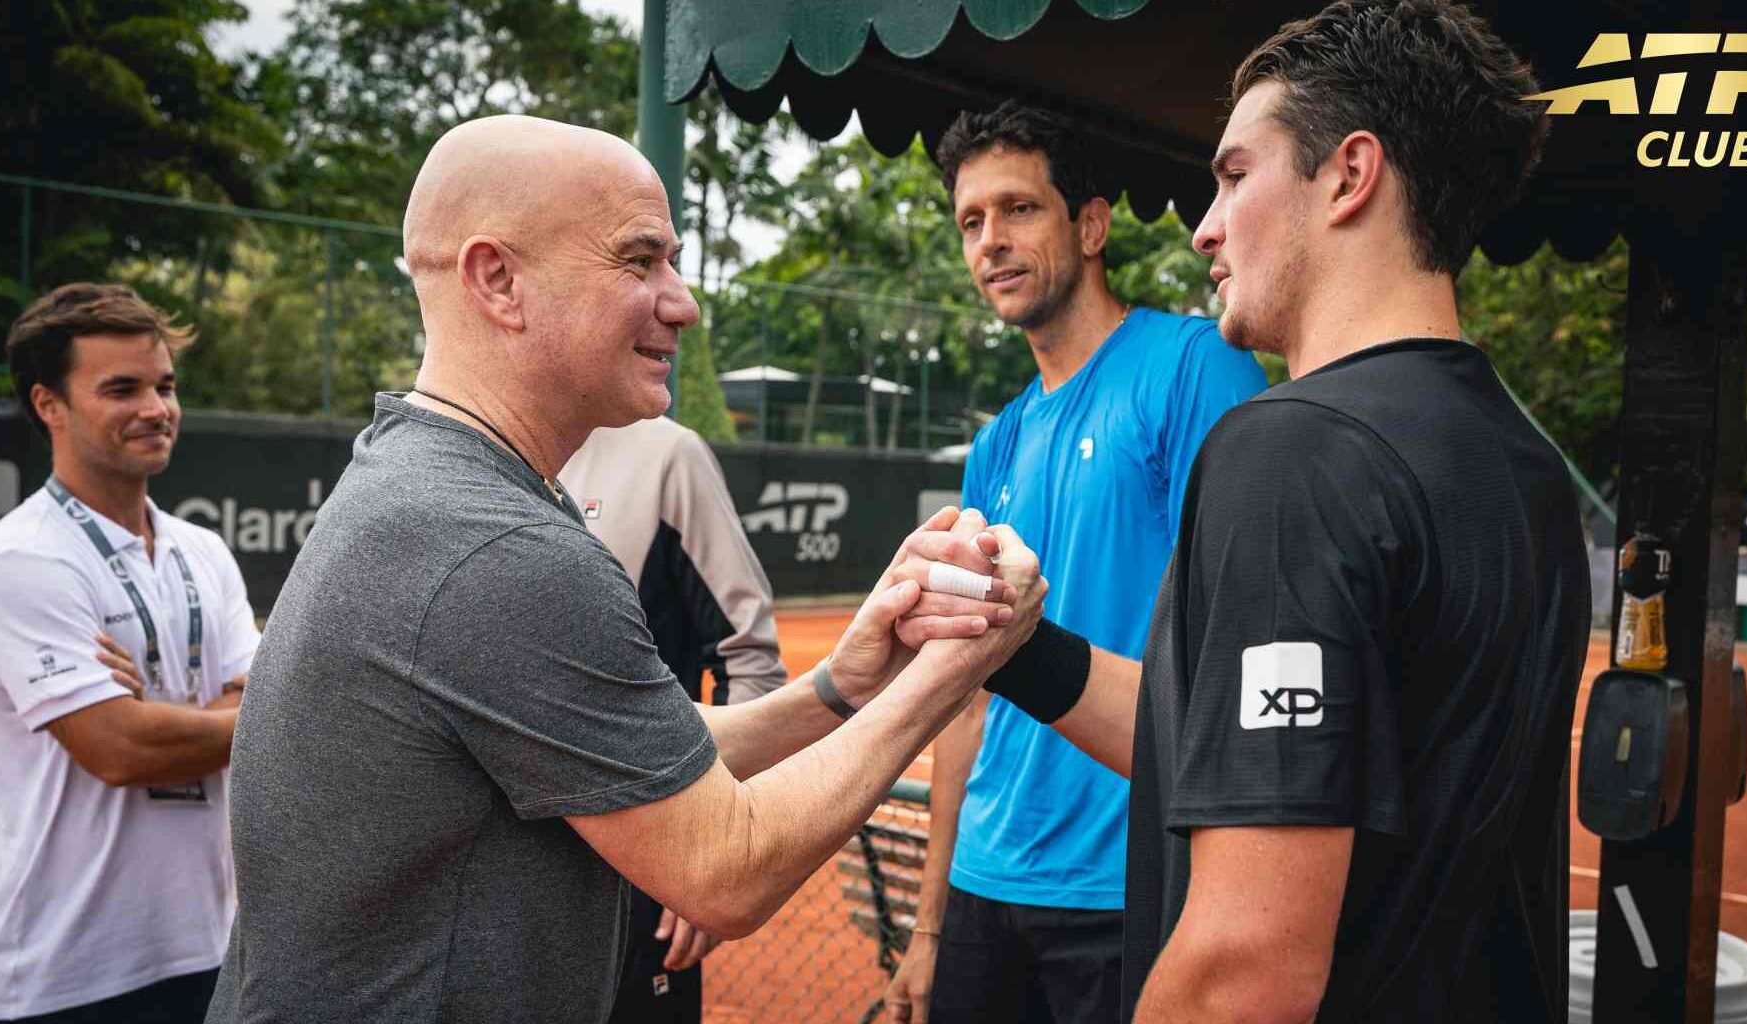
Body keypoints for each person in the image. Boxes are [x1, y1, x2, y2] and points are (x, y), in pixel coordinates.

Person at [203, 115, 1046, 1024]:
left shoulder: (432, 481)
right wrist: (957, 665)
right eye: (640, 261)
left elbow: (633, 756)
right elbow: (728, 869)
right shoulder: (497, 547)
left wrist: (845, 684)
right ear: (498, 280)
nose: (682, 301)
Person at [919, 2, 1591, 1021]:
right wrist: (1022, 645)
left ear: (1349, 175)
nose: (1205, 224)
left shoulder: (1291, 448)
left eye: (1235, 176)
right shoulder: (1521, 460)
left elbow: (1246, 971)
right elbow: (1248, 751)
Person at [881, 103, 1267, 1024]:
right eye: (971, 221)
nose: (991, 242)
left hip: (1123, 891)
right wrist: (929, 928)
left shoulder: (1194, 367)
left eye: (1018, 209)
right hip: (983, 885)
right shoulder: (996, 445)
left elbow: (1232, 652)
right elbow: (963, 697)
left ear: (1090, 225)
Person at [0, 283, 257, 1023]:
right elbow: (120, 750)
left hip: (209, 944)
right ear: (50, 405)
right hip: (68, 971)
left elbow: (253, 700)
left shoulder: (203, 549)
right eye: (122, 389)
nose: (156, 408)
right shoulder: (22, 558)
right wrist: (238, 719)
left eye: (165, 385)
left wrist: (158, 720)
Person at [560, 416, 791, 1022]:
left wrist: (709, 851)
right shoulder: (465, 457)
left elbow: (751, 664)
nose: (678, 315)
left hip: (637, 877)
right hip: (492, 896)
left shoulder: (667, 456)